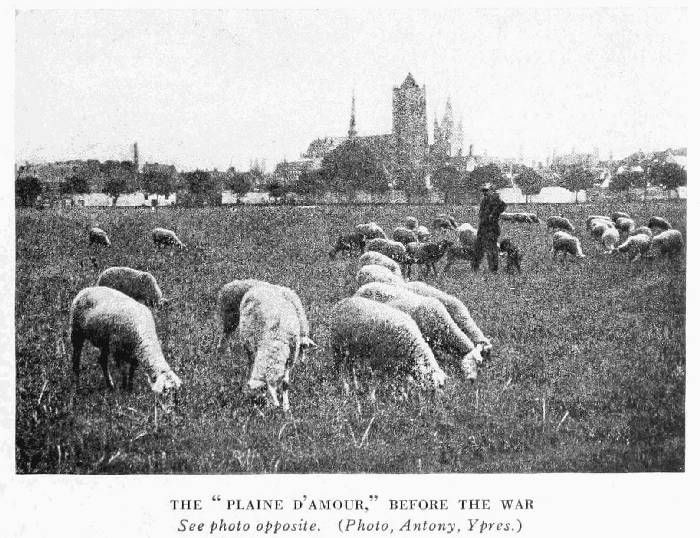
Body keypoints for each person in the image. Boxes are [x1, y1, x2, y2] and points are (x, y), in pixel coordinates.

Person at [472, 183, 507, 272]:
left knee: (491, 250)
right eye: (483, 190)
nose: (484, 192)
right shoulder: (484, 200)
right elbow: (481, 213)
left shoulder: (496, 198)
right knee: (478, 248)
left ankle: (493, 270)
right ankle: (475, 268)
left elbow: (503, 206)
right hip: (482, 228)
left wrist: (493, 214)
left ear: (491, 190)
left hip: (491, 229)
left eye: (486, 190)